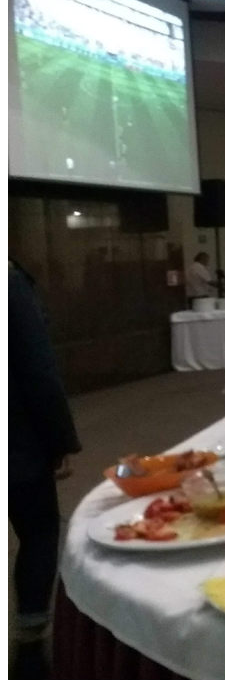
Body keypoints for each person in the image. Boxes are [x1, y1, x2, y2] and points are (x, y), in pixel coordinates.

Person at [9, 263, 82, 669]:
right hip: (15, 443)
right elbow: (38, 371)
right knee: (38, 534)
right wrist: (59, 441)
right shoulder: (9, 284)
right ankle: (31, 649)